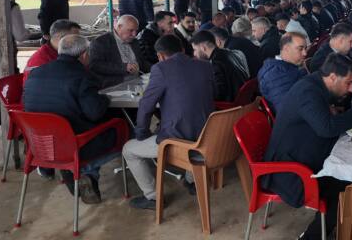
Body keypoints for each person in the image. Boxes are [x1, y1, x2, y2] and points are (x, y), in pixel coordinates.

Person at [262, 53, 352, 239]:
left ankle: (338, 227)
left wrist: (335, 112)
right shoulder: (308, 91)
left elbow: (322, 120)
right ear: (332, 77)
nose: (351, 88)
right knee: (349, 186)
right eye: (348, 83)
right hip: (291, 172)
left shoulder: (316, 84)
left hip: (303, 154)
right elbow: (326, 128)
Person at [123, 34, 215, 210]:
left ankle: (152, 197)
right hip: (208, 135)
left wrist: (142, 132)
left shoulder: (160, 69)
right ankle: (191, 181)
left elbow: (146, 105)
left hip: (178, 141)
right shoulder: (205, 66)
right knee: (190, 126)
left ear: (160, 56)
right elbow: (212, 94)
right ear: (183, 49)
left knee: (129, 149)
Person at [23, 34, 118, 204]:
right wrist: (104, 98)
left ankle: (70, 170)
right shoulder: (82, 76)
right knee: (124, 130)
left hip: (40, 144)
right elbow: (95, 113)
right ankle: (85, 171)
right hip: (74, 144)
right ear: (84, 54)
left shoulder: (36, 73)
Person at [89, 15, 150, 88]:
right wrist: (124, 67)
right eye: (131, 30)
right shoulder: (101, 42)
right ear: (119, 27)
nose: (134, 34)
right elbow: (95, 65)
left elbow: (142, 62)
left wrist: (156, 68)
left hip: (138, 81)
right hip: (115, 84)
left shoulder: (134, 42)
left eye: (136, 31)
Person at [257, 32, 308, 114]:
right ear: (286, 48)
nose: (305, 53)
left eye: (305, 48)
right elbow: (288, 111)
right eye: (300, 49)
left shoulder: (290, 66)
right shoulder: (275, 75)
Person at [190, 30, 248, 102]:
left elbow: (219, 94)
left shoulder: (216, 63)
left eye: (195, 49)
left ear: (203, 47)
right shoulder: (229, 53)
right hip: (243, 99)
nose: (194, 54)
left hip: (231, 104)